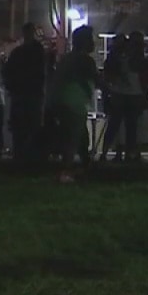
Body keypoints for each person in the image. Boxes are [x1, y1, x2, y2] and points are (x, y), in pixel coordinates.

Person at [53, 26, 97, 183]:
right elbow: (96, 78)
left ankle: (84, 165)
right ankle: (67, 170)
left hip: (65, 100)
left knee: (79, 136)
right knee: (73, 138)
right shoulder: (85, 60)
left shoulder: (67, 59)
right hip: (76, 102)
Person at [2, 23, 46, 163]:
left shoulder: (19, 53)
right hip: (30, 94)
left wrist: (11, 87)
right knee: (29, 126)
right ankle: (29, 157)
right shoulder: (36, 51)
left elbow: (7, 71)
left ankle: (21, 157)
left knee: (21, 127)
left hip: (22, 94)